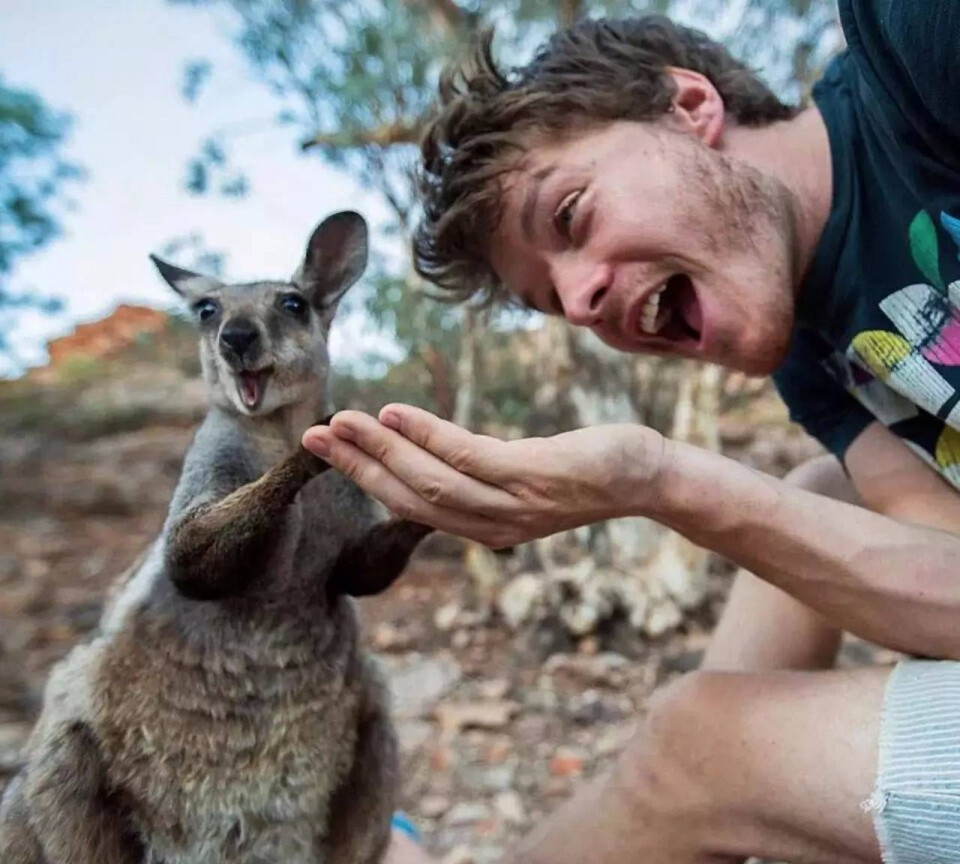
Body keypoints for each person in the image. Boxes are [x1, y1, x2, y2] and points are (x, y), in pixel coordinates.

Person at [303, 4, 960, 862]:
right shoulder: (810, 354)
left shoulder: (912, 51)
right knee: (818, 495)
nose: (580, 304)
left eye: (570, 217)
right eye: (554, 300)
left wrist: (660, 481)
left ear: (690, 105)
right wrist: (655, 480)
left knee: (700, 749)